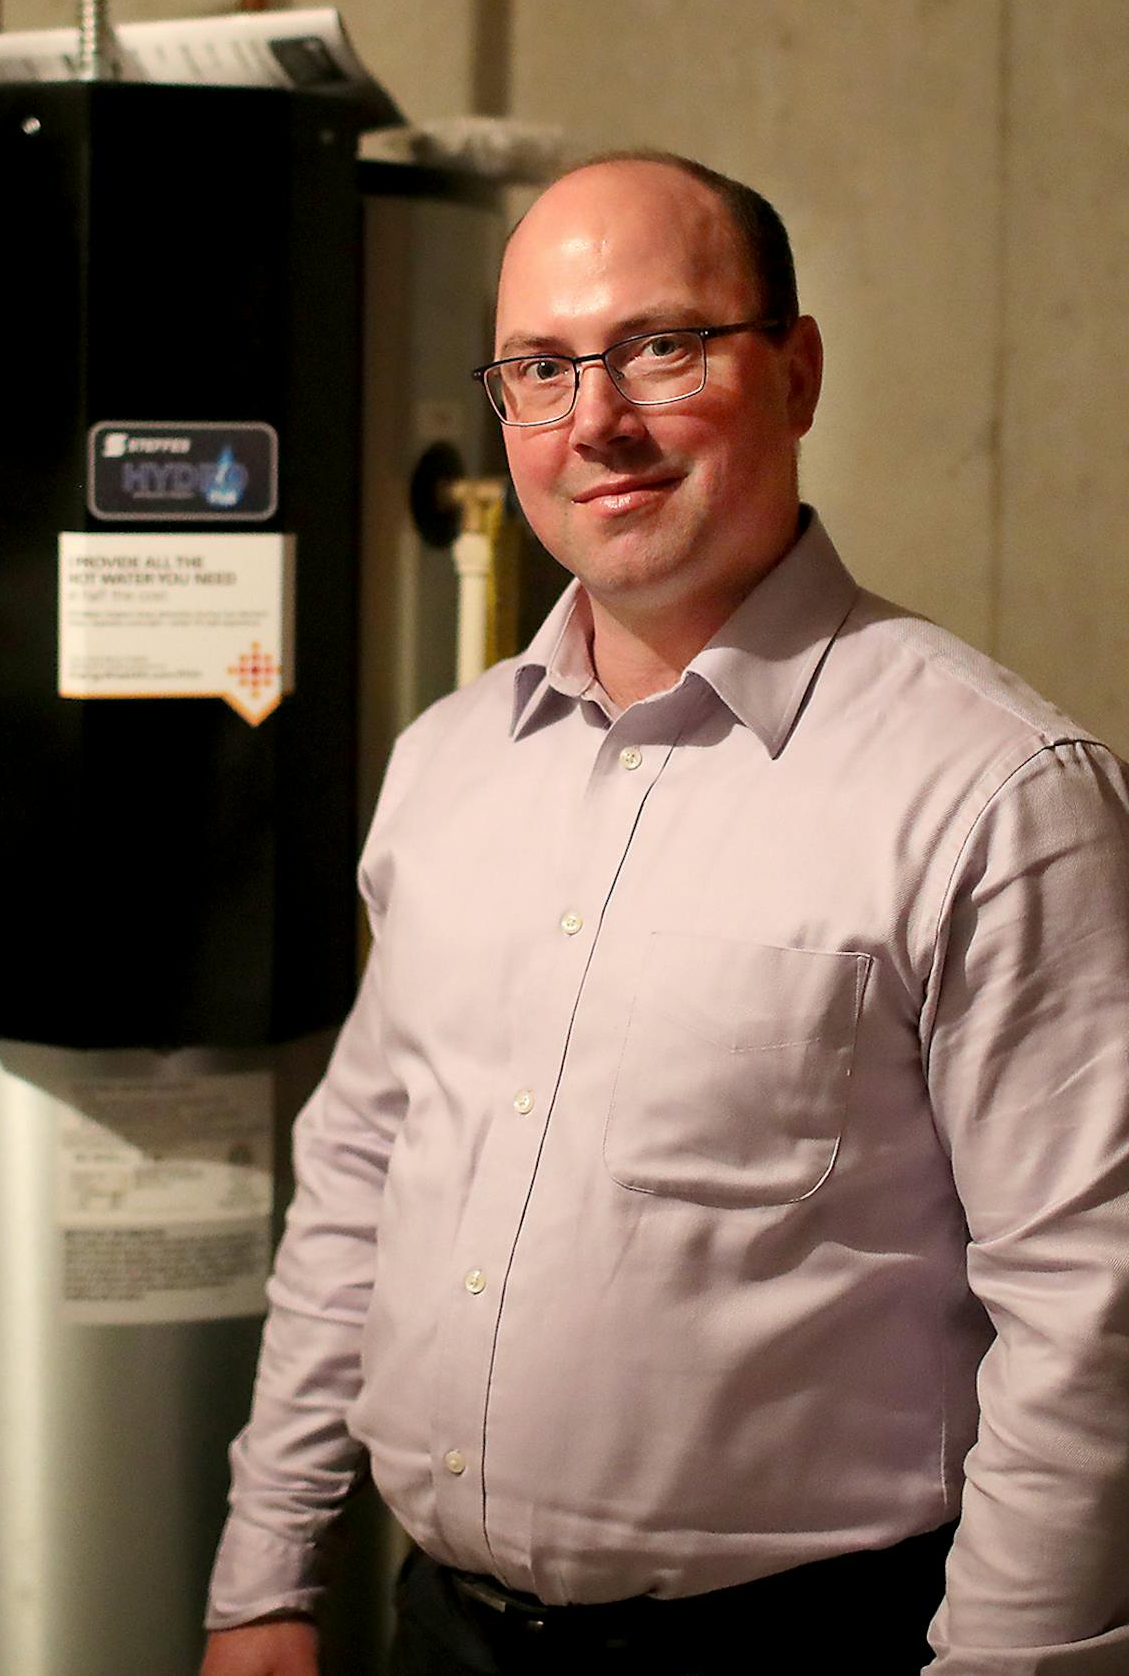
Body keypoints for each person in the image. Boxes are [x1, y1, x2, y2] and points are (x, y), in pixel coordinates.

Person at [200, 154, 1129, 1674]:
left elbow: (1090, 1312)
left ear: (799, 369)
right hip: (439, 1632)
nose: (598, 423)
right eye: (542, 369)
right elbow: (360, 1181)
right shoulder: (447, 769)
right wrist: (264, 1576)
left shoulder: (996, 795)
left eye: (664, 347)